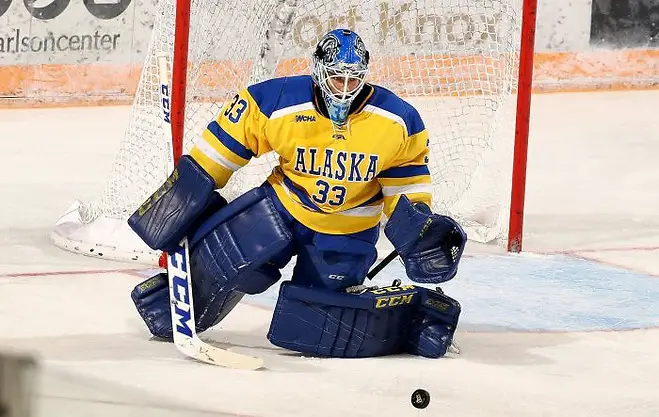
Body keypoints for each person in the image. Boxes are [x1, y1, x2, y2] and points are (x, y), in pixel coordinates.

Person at [127, 29, 467, 359]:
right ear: (319, 71)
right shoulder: (277, 101)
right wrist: (185, 199)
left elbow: (407, 186)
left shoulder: (399, 120)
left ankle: (414, 317)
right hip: (282, 209)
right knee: (237, 264)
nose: (345, 89)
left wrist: (417, 226)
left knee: (315, 324)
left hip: (347, 231)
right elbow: (217, 153)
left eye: (354, 79)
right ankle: (174, 302)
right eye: (337, 78)